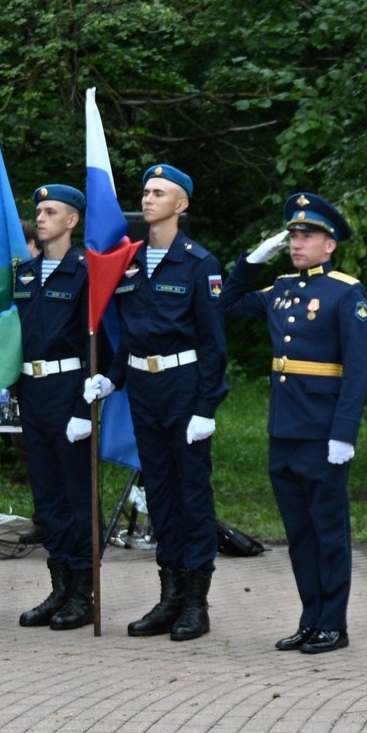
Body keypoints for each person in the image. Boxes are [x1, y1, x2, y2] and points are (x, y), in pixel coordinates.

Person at [218, 193, 367, 654]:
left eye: (307, 236)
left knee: (328, 531)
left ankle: (333, 624)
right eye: (293, 237)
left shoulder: (346, 292)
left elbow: (358, 369)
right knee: (299, 533)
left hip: (322, 433)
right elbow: (225, 305)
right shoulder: (281, 288)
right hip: (284, 429)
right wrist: (251, 262)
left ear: (330, 245)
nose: (297, 244)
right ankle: (310, 619)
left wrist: (344, 433)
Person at [105, 163, 229, 641]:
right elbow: (128, 335)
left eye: (159, 192)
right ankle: (170, 595)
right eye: (146, 191)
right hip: (143, 388)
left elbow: (214, 344)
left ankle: (196, 603)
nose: (148, 199)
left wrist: (206, 407)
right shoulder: (129, 261)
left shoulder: (199, 263)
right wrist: (111, 378)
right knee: (158, 492)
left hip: (183, 387)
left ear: (182, 204)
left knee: (191, 494)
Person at [10, 184, 114, 631]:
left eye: (51, 211)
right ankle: (60, 586)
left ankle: (83, 591)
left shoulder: (85, 272)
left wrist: (83, 406)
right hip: (32, 393)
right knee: (47, 497)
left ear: (72, 221)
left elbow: (101, 343)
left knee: (77, 498)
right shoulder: (24, 274)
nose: (41, 217)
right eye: (39, 211)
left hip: (70, 389)